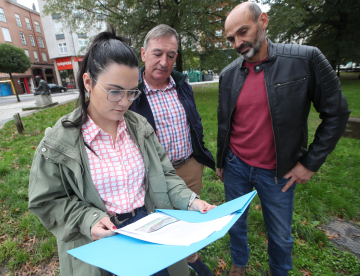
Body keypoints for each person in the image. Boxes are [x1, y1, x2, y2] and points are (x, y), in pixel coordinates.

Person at [28, 29, 216, 276]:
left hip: (149, 232)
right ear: (88, 82)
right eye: (115, 91)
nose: (125, 102)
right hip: (99, 246)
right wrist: (88, 220)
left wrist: (190, 201)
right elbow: (47, 201)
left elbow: (166, 176)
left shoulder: (140, 127)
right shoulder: (58, 141)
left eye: (132, 92)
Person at [216, 2, 350, 276]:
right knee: (234, 223)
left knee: (280, 235)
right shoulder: (229, 74)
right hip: (236, 166)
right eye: (231, 39)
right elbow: (224, 122)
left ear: (263, 21)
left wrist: (310, 163)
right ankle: (239, 263)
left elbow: (336, 113)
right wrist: (221, 162)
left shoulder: (306, 59)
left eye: (243, 32)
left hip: (277, 172)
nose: (238, 43)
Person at [129, 24, 216, 276]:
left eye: (171, 55)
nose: (164, 61)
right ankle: (164, 263)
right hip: (153, 174)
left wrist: (199, 156)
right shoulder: (133, 92)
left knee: (188, 217)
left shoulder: (181, 84)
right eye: (157, 53)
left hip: (188, 166)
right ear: (143, 54)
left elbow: (195, 122)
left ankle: (190, 257)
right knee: (160, 222)